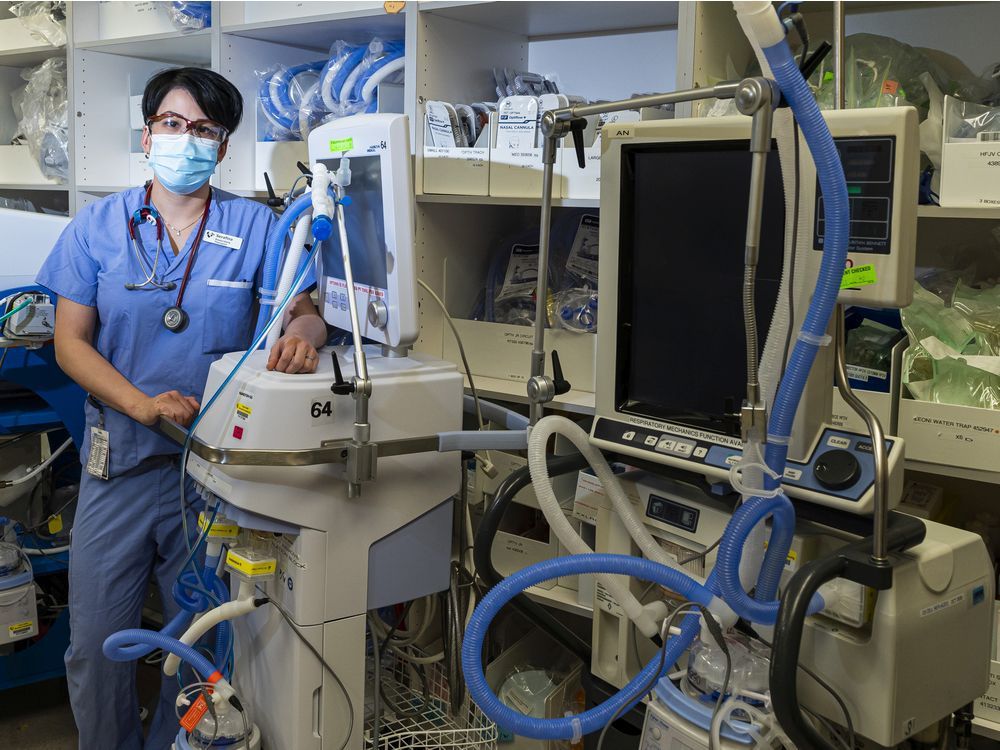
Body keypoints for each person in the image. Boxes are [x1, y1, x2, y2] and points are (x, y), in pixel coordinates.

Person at [36, 67, 328, 749]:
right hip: (122, 469)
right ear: (147, 133)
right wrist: (140, 405)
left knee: (201, 644)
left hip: (212, 474)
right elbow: (69, 345)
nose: (185, 139)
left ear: (223, 147)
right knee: (97, 643)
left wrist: (302, 340)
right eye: (172, 124)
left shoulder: (255, 227)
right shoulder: (99, 227)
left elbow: (305, 313)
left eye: (203, 130)